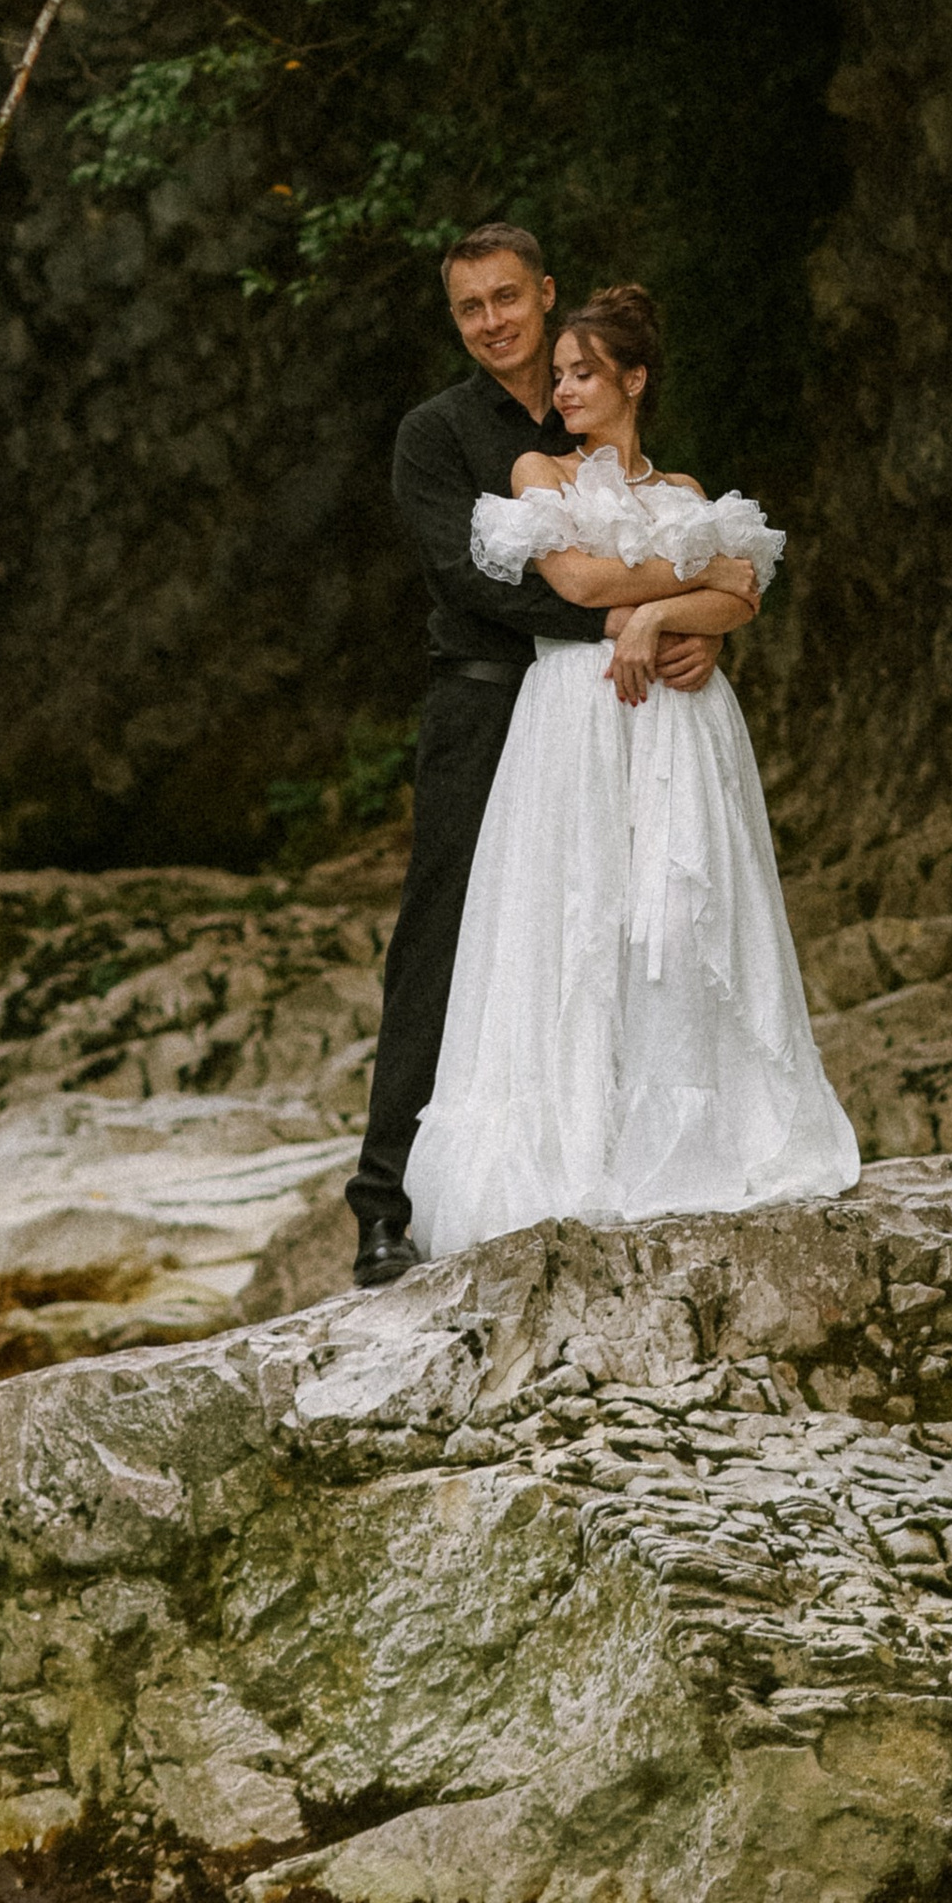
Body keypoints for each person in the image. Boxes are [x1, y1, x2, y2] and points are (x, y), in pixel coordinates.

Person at [405, 280, 859, 1260]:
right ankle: (582, 1138)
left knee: (677, 913)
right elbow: (578, 582)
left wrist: (675, 617)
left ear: (635, 380)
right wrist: (681, 594)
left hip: (679, 723)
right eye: (559, 374)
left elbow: (742, 596)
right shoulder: (540, 474)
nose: (562, 390)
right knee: (583, 908)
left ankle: (697, 1133)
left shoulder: (688, 494)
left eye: (582, 374)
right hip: (576, 710)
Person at [346, 225, 737, 1287]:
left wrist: (688, 618)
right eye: (470, 307)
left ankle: (610, 1146)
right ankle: (386, 1202)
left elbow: (682, 538)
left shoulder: (595, 396)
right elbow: (471, 580)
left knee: (614, 919)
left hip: (617, 710)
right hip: (488, 705)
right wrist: (646, 618)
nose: (492, 323)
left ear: (546, 293)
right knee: (448, 932)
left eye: (508, 298)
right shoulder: (436, 434)